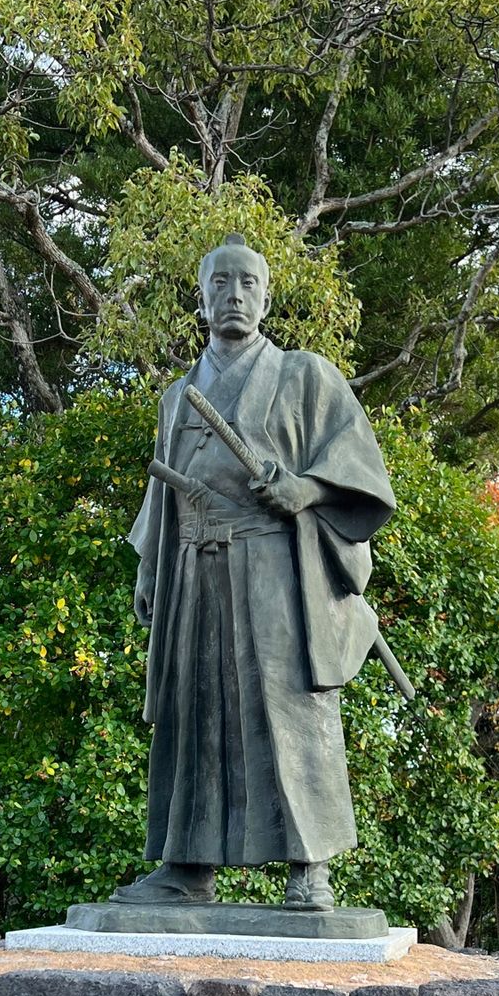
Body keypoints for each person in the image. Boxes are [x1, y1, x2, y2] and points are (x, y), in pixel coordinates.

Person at [117, 235, 395, 910]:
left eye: (248, 284)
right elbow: (164, 497)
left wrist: (307, 490)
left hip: (273, 562)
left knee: (287, 708)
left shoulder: (305, 375)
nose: (234, 296)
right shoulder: (178, 397)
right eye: (221, 284)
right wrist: (150, 570)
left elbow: (358, 469)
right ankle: (186, 866)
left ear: (266, 297)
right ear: (203, 296)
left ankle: (310, 868)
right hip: (193, 568)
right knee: (194, 711)